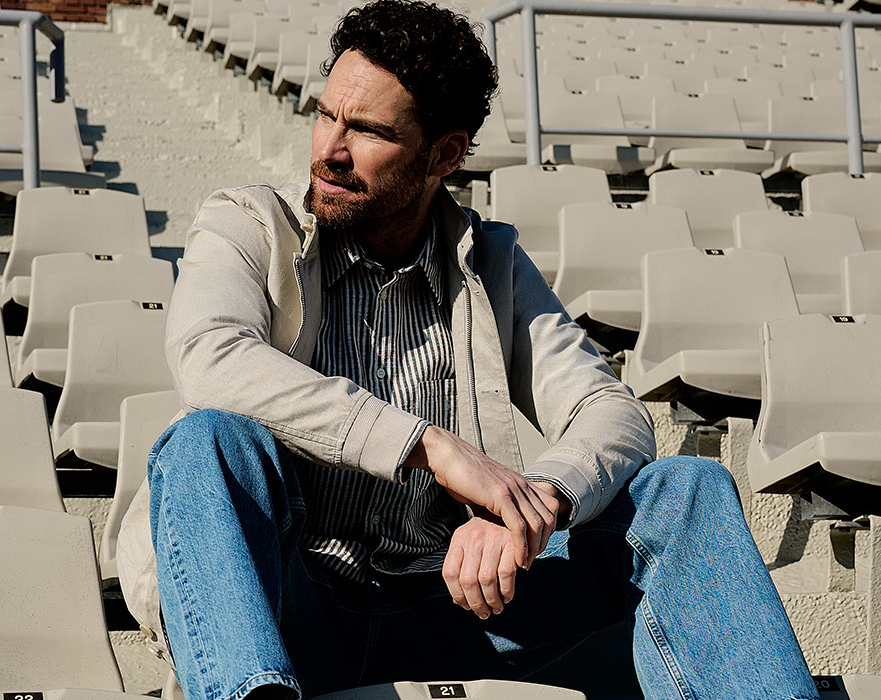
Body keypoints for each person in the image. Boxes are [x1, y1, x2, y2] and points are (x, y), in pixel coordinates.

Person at [112, 2, 819, 699]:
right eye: (326, 114)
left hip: (456, 604)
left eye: (365, 130)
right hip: (292, 602)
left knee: (687, 490)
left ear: (444, 153)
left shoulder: (492, 262)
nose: (329, 149)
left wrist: (531, 501)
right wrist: (432, 447)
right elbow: (211, 357)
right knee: (207, 439)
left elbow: (611, 409)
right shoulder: (249, 224)